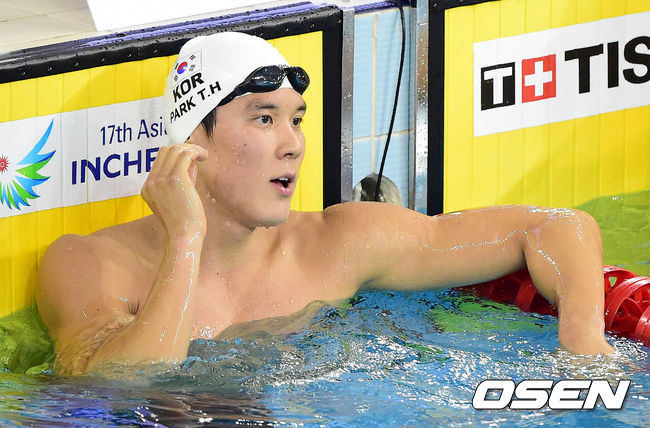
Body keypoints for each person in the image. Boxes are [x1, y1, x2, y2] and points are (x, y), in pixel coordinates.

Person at [36, 32, 613, 376]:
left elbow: (556, 226)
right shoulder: (88, 263)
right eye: (264, 119)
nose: (293, 144)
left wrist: (583, 342)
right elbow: (125, 383)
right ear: (193, 143)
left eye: (296, 120)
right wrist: (185, 240)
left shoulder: (339, 244)